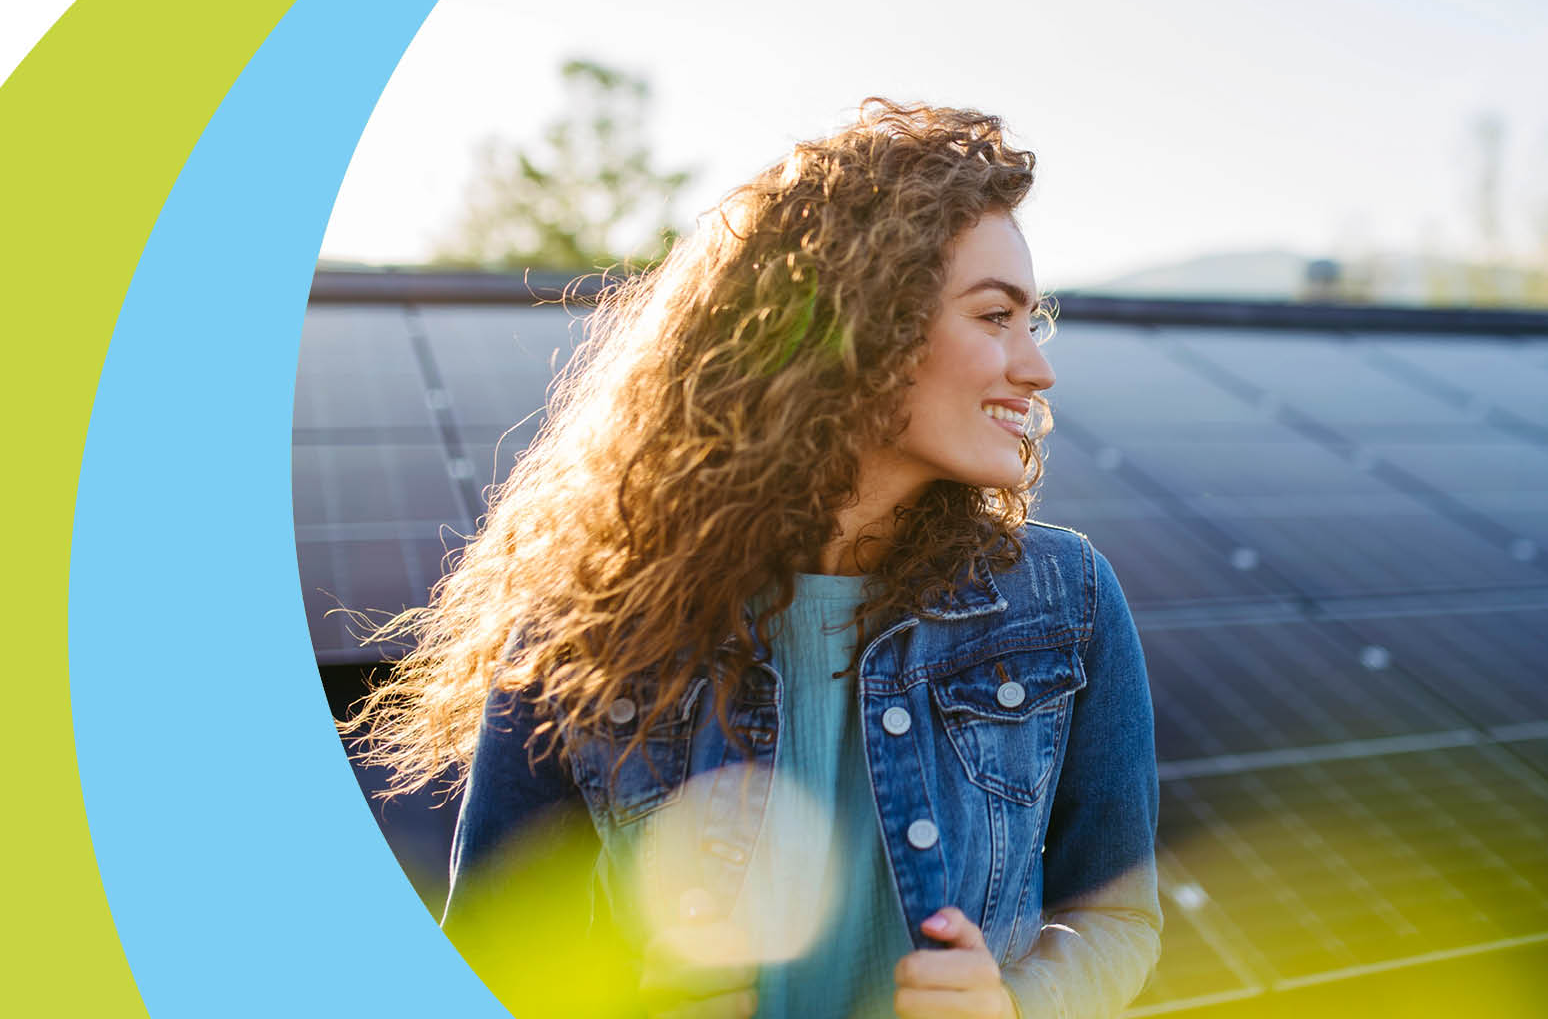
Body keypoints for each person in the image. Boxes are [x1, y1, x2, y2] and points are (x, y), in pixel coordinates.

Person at [347, 100, 1160, 1019]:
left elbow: (1117, 915)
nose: (1037, 367)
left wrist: (1017, 1004)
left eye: (1031, 320)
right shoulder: (585, 630)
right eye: (995, 317)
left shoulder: (1067, 600)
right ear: (863, 330)